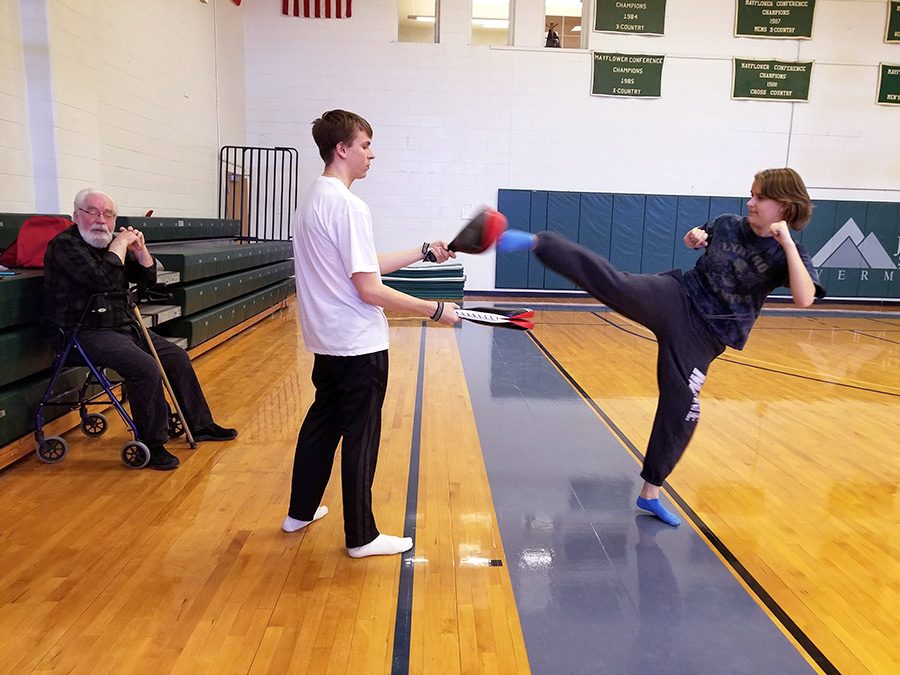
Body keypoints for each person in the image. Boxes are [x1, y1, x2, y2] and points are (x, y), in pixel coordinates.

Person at [497, 167, 825, 526]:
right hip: (677, 296)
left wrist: (788, 243)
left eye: (760, 197)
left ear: (785, 205)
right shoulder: (729, 222)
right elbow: (697, 238)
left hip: (705, 336)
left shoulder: (787, 255)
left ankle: (650, 492)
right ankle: (539, 243)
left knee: (683, 407)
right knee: (616, 283)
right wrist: (693, 238)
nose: (751, 202)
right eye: (751, 194)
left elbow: (804, 298)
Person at [284, 109, 460, 558]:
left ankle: (299, 512)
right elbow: (368, 288)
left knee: (322, 424)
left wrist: (422, 251)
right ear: (342, 149)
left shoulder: (313, 200)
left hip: (327, 343)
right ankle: (362, 536)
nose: (371, 154)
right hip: (359, 347)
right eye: (365, 145)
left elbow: (364, 264)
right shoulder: (349, 205)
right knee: (360, 437)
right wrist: (434, 309)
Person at [43, 188, 238, 470]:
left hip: (121, 327)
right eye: (93, 212)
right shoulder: (65, 246)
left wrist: (140, 251)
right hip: (80, 332)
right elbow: (101, 280)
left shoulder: (111, 245)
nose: (101, 220)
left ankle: (199, 424)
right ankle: (152, 443)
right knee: (145, 367)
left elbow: (148, 281)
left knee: (175, 356)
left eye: (108, 214)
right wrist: (120, 244)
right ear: (76, 216)